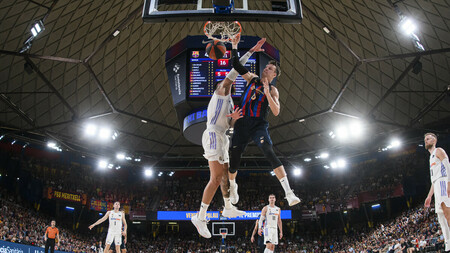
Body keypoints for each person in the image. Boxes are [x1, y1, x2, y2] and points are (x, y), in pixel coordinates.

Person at [191, 37, 266, 238]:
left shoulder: (231, 102)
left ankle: (227, 207)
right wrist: (250, 51)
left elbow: (230, 126)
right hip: (213, 134)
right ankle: (200, 216)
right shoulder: (220, 91)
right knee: (215, 178)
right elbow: (235, 69)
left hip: (223, 136)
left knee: (224, 174)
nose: (230, 84)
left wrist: (234, 120)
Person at [228, 35, 300, 206]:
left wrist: (267, 93)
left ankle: (289, 193)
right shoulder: (252, 79)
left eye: (269, 69)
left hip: (258, 125)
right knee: (234, 159)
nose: (265, 69)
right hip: (242, 124)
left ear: (274, 74)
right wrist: (235, 45)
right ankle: (232, 186)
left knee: (268, 151)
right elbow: (236, 65)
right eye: (266, 67)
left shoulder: (274, 90)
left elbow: (275, 112)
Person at [424, 133, 450, 251]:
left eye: (428, 138)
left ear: (435, 140)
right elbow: (433, 181)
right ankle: (448, 244)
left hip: (444, 182)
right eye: (425, 139)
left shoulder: (439, 150)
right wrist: (429, 196)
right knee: (441, 218)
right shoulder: (430, 158)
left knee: (447, 213)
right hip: (437, 185)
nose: (426, 140)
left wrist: (449, 182)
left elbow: (448, 165)